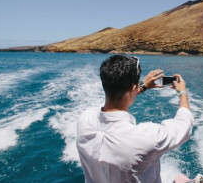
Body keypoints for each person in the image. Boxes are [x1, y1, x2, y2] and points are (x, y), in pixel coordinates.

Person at [76, 55, 194, 183]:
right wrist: (183, 93)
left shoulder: (85, 121)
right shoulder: (147, 137)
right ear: (133, 89)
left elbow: (113, 103)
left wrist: (142, 86)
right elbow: (184, 124)